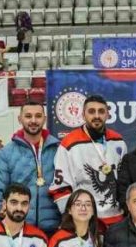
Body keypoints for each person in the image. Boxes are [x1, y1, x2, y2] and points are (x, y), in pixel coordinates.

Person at [50, 95, 127, 227]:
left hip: (117, 219)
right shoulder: (69, 144)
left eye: (101, 111)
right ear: (83, 115)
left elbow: (125, 180)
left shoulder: (118, 141)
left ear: (108, 115)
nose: (96, 116)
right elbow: (60, 187)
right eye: (91, 111)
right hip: (85, 221)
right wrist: (72, 219)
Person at [0, 102, 60, 235]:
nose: (33, 120)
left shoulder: (58, 150)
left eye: (38, 116)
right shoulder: (6, 153)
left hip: (53, 228)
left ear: (44, 119)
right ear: (20, 119)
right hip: (17, 226)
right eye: (28, 116)